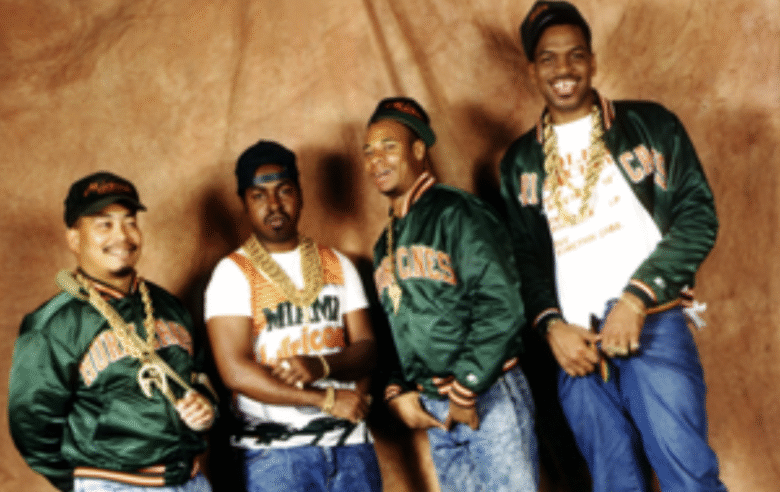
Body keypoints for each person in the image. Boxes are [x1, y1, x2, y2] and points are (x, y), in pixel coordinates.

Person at [499, 2, 728, 491]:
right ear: (532, 70)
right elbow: (525, 260)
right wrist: (551, 326)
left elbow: (697, 216)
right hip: (576, 344)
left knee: (689, 475)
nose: (563, 69)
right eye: (548, 58)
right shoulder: (520, 162)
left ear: (593, 60)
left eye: (575, 54)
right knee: (614, 484)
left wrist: (636, 298)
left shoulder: (650, 125)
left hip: (652, 323)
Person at [363, 97, 538, 492]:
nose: (376, 160)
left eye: (389, 146)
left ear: (418, 150)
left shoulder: (459, 213)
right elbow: (398, 327)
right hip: (436, 407)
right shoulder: (382, 245)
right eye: (369, 151)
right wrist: (397, 389)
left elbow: (502, 307)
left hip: (487, 393)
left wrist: (467, 387)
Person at [8, 171, 216, 492]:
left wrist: (206, 408)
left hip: (190, 481)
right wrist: (87, 481)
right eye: (104, 224)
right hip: (113, 484)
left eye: (130, 222)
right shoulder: (53, 324)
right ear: (74, 239)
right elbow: (31, 424)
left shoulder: (169, 306)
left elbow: (201, 378)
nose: (122, 236)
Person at [204, 140, 381, 492]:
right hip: (275, 454)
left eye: (284, 191)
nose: (274, 205)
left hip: (350, 445)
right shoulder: (233, 272)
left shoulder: (337, 263)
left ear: (300, 194)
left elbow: (368, 348)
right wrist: (325, 399)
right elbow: (235, 371)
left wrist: (321, 365)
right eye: (259, 195)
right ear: (244, 203)